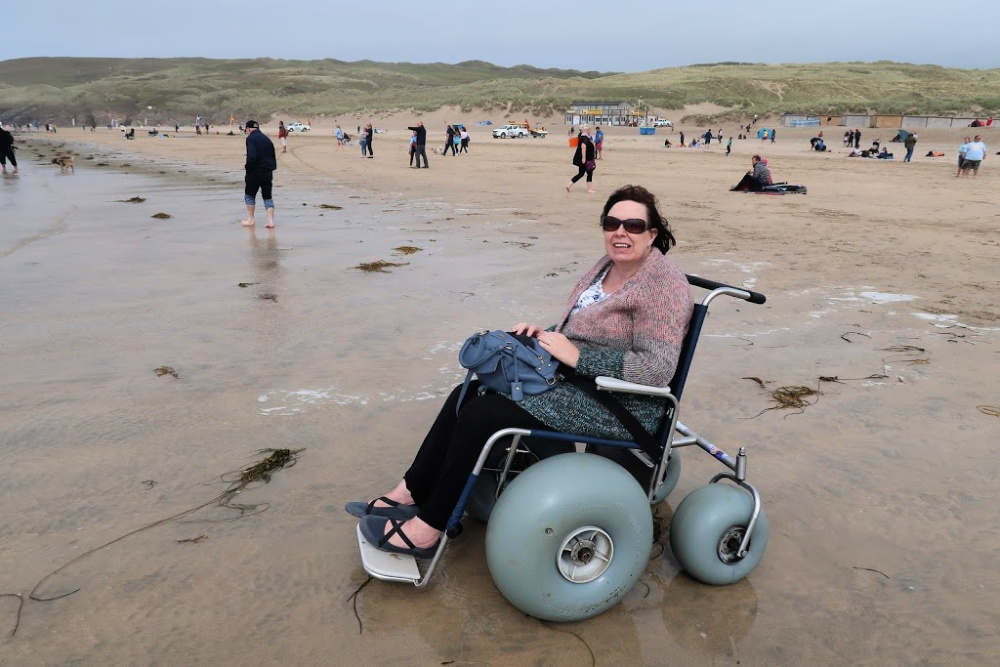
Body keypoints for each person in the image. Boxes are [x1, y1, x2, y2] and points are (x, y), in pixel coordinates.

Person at [347, 184, 693, 557]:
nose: (620, 232)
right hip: (574, 381)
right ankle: (409, 494)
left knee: (485, 415)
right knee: (468, 392)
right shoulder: (606, 267)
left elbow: (657, 369)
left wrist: (578, 357)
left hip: (620, 404)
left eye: (633, 225)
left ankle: (429, 529)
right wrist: (544, 336)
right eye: (612, 223)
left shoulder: (662, 286)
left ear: (652, 233)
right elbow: (581, 332)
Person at [241, 120, 277, 229]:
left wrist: (247, 167)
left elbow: (252, 156)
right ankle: (271, 221)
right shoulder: (267, 139)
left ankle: (250, 219)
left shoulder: (251, 138)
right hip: (268, 171)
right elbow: (272, 155)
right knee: (267, 196)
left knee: (249, 194)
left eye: (246, 131)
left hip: (255, 171)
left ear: (248, 129)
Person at [566, 125, 596, 193]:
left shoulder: (582, 136)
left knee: (581, 173)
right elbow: (583, 147)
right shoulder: (584, 138)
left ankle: (569, 185)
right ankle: (589, 189)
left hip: (584, 159)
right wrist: (584, 158)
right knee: (589, 173)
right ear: (586, 130)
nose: (590, 131)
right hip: (586, 159)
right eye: (589, 130)